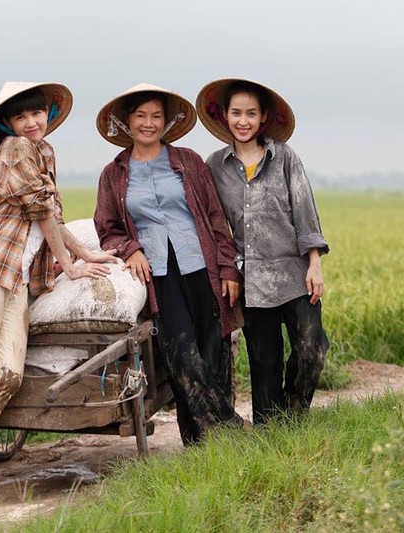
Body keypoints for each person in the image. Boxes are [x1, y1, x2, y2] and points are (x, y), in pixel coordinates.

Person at [0, 82, 116, 504]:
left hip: (15, 284)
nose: (31, 123)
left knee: (10, 375)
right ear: (8, 123)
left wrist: (82, 254)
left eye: (37, 115)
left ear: (47, 116)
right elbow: (42, 210)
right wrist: (72, 264)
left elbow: (51, 220)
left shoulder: (45, 153)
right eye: (20, 117)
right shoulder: (15, 148)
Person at [93, 83, 244, 446]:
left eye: (156, 116)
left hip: (201, 265)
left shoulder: (188, 161)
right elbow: (107, 229)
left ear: (166, 121)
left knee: (214, 349)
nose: (149, 124)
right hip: (158, 274)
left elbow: (214, 215)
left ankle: (204, 444)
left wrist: (227, 268)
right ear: (127, 122)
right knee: (181, 352)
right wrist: (131, 248)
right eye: (141, 116)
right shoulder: (114, 174)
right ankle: (222, 433)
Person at [196, 78, 330, 424]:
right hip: (250, 278)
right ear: (225, 116)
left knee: (312, 349)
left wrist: (314, 263)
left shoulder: (284, 157)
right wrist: (227, 271)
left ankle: (293, 417)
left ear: (263, 117)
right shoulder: (215, 166)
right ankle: (271, 429)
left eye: (251, 113)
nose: (243, 121)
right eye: (236, 113)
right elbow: (214, 225)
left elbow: (305, 210)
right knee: (263, 361)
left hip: (294, 273)